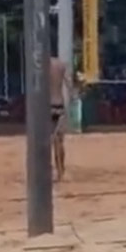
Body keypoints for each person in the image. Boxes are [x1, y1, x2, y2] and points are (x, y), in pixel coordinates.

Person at [49, 54, 73, 182]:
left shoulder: (41, 66)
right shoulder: (61, 65)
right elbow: (69, 85)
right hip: (59, 104)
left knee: (45, 141)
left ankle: (47, 171)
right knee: (59, 141)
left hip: (46, 106)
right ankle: (60, 171)